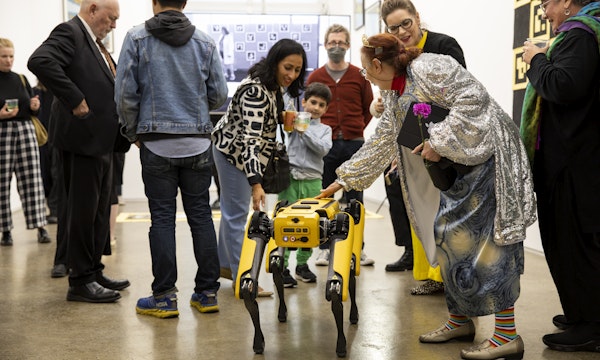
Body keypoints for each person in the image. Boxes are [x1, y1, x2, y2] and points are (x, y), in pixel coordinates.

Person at [318, 33, 536, 360]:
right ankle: (459, 320)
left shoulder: (430, 66)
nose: (365, 75)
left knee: (489, 246)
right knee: (448, 238)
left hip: (487, 162)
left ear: (378, 64)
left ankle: (507, 336)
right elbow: (384, 140)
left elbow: (474, 99)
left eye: (365, 69)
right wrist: (343, 179)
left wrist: (439, 142)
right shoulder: (395, 92)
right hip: (457, 170)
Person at [115, 0, 228, 318]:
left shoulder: (137, 38)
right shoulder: (204, 41)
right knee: (201, 217)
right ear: (185, 3)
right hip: (197, 144)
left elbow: (125, 93)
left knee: (162, 219)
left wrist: (131, 132)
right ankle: (207, 294)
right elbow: (218, 95)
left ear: (154, 3)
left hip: (155, 143)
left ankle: (164, 297)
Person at [28, 0, 129, 303]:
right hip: (81, 138)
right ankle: (80, 281)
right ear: (93, 8)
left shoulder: (93, 42)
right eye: (110, 18)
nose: (113, 25)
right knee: (83, 211)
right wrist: (74, 97)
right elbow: (40, 60)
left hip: (99, 140)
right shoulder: (70, 31)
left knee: (98, 210)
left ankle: (93, 270)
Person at [521, 0, 600, 353]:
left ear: (567, 3)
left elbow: (563, 86)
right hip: (575, 157)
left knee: (574, 241)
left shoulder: (579, 35)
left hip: (573, 160)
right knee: (571, 240)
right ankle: (581, 313)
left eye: (547, 4)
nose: (544, 12)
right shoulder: (584, 32)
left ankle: (591, 326)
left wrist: (537, 59)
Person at [376, 0, 467, 296]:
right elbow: (400, 105)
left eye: (406, 23)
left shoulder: (444, 45)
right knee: (421, 208)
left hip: (445, 143)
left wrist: (441, 141)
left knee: (447, 210)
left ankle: (450, 276)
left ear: (417, 17)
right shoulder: (396, 57)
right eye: (393, 28)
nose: (402, 31)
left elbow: (460, 97)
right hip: (412, 144)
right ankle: (431, 273)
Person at [212, 38, 307, 297]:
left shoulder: (272, 87)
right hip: (233, 154)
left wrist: (280, 117)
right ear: (275, 62)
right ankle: (244, 279)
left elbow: (258, 124)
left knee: (232, 213)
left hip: (241, 152)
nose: (292, 74)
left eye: (297, 70)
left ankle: (225, 267)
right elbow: (250, 141)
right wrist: (256, 183)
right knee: (237, 214)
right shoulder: (256, 90)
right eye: (287, 67)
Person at [306, 24, 374, 267]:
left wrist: (355, 129)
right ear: (325, 45)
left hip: (355, 144)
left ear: (347, 46)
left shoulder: (359, 75)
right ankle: (324, 247)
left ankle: (357, 248)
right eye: (332, 42)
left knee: (355, 199)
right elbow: (309, 111)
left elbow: (369, 109)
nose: (336, 47)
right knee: (325, 196)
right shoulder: (315, 77)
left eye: (341, 42)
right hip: (325, 145)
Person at [278, 82, 332, 288]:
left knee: (310, 226)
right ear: (304, 102)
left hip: (312, 181)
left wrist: (304, 130)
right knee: (284, 224)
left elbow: (322, 150)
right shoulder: (292, 123)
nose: (316, 107)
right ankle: (282, 266)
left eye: (321, 105)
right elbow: (283, 108)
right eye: (312, 102)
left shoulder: (325, 130)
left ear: (325, 109)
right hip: (289, 179)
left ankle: (302, 265)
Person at [0, 38, 51, 247]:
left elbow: (32, 109)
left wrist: (35, 106)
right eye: (4, 56)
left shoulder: (20, 78)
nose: (8, 60)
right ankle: (5, 230)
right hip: (2, 131)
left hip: (26, 131)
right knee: (2, 183)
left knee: (32, 180)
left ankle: (40, 226)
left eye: (11, 56)